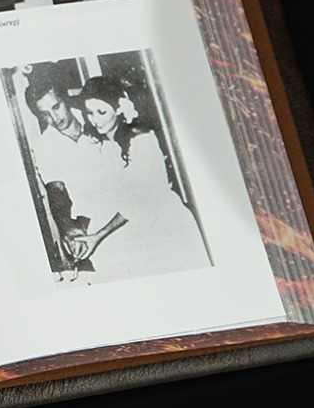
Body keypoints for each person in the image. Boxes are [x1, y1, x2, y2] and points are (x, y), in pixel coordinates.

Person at [64, 75, 208, 280]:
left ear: (119, 108)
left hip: (166, 226)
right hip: (133, 229)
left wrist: (98, 236)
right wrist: (83, 232)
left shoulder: (142, 140)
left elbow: (140, 199)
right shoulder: (100, 146)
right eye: (90, 113)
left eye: (101, 112)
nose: (95, 120)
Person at [25, 69, 103, 258]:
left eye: (56, 107)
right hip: (92, 225)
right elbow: (56, 191)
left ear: (65, 99)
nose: (55, 119)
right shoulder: (44, 146)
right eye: (45, 114)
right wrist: (68, 227)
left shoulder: (95, 117)